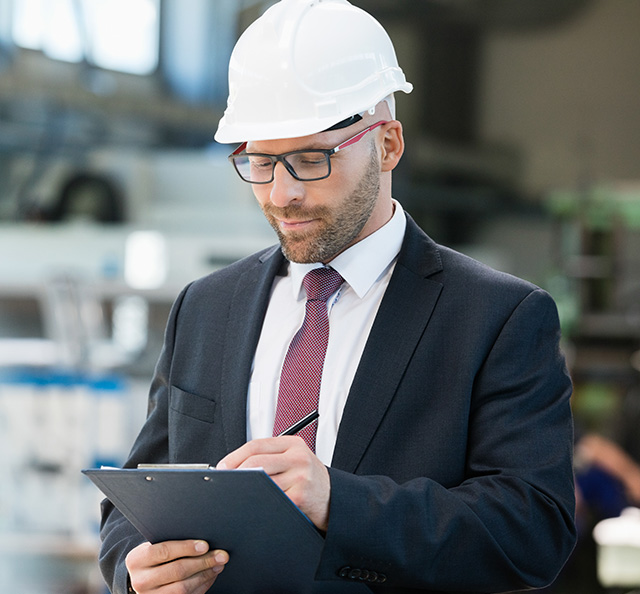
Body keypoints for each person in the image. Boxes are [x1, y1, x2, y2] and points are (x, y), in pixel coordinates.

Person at [98, 0, 577, 592]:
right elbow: (138, 496)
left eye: (311, 160)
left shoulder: (496, 318)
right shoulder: (205, 307)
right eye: (260, 162)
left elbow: (533, 529)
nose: (282, 193)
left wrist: (338, 501)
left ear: (388, 145)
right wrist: (133, 573)